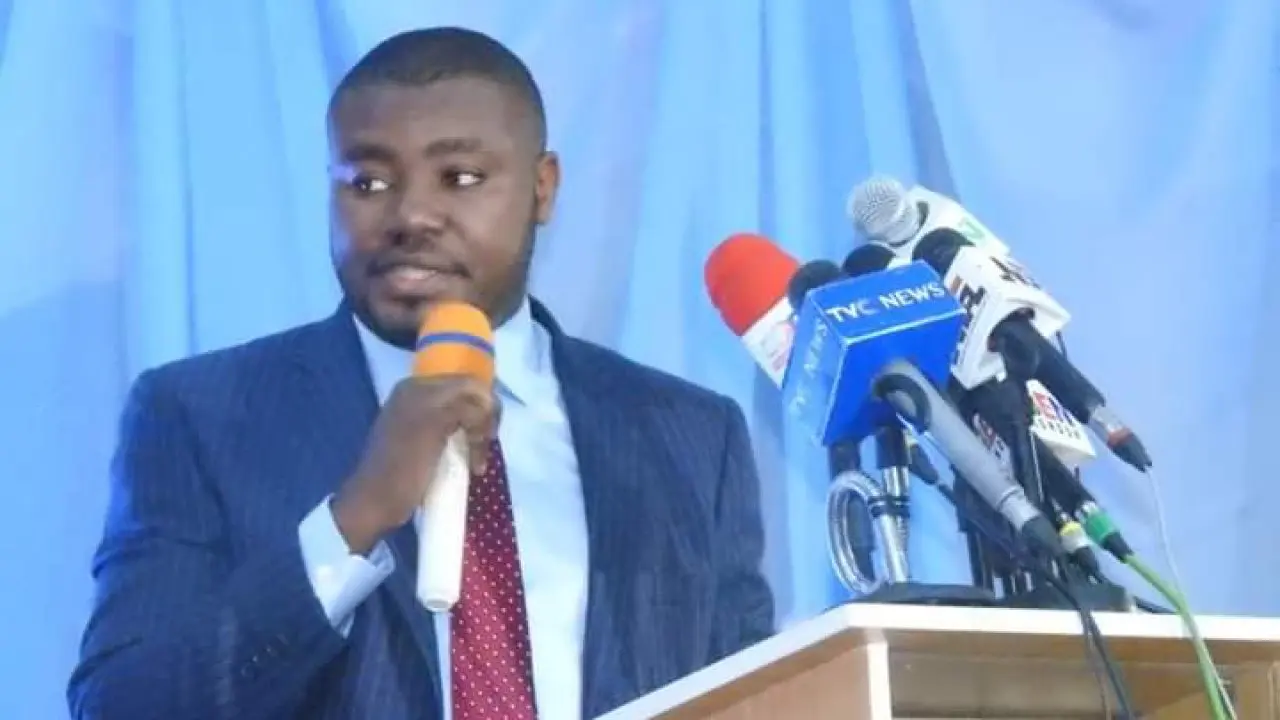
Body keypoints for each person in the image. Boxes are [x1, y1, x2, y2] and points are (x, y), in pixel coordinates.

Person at [68, 26, 774, 720]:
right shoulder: (202, 417)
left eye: (460, 178)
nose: (411, 215)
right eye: (368, 181)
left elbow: (754, 699)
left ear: (542, 188)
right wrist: (354, 517)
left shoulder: (689, 436)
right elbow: (121, 705)